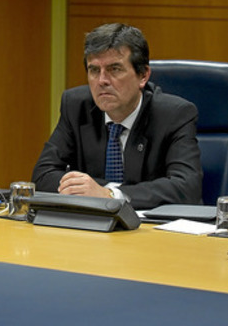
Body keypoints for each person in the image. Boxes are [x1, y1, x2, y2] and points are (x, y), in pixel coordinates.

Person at [31, 23, 202, 209]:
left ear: (143, 76)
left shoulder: (175, 115)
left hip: (152, 225)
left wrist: (109, 195)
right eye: (94, 70)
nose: (102, 81)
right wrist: (94, 191)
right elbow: (42, 175)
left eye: (115, 69)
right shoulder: (76, 106)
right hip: (92, 224)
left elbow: (187, 188)